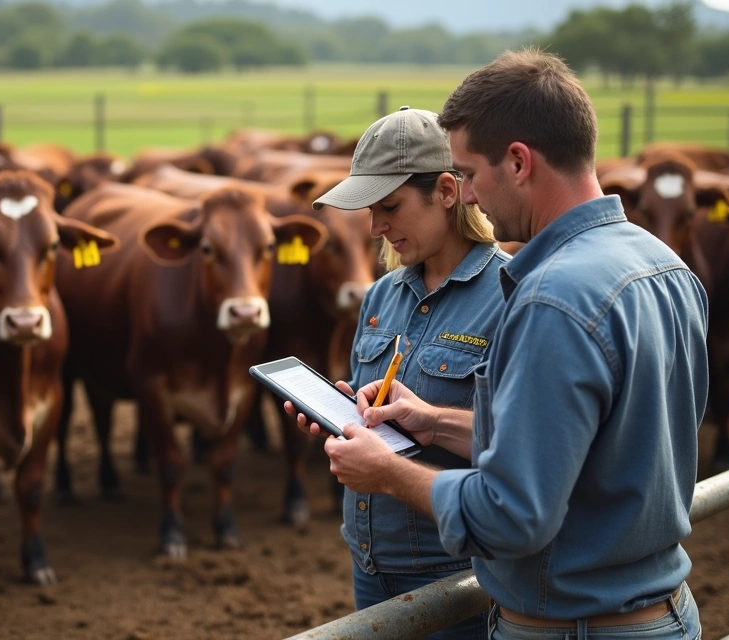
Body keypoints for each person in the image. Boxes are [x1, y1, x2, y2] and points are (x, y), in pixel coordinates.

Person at [299, 49, 708, 640]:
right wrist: (435, 423)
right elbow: (598, 447)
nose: (467, 195)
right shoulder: (663, 265)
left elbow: (512, 514)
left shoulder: (550, 297)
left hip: (573, 623)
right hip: (655, 607)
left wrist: (387, 473)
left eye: (468, 174)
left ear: (518, 162)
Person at [287, 105, 510, 639]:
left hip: (456, 573)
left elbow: (524, 447)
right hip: (368, 561)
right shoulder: (381, 296)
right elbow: (380, 411)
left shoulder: (510, 296)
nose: (375, 227)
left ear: (447, 193)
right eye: (371, 209)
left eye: (389, 206)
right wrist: (346, 415)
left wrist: (430, 421)